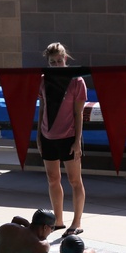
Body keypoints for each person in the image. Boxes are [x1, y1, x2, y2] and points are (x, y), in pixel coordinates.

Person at [38, 42, 87, 238]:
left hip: (68, 137)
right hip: (48, 135)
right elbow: (42, 109)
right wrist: (38, 135)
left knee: (75, 180)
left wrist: (77, 141)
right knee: (53, 179)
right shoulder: (43, 80)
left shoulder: (76, 81)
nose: (57, 65)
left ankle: (76, 222)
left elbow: (79, 114)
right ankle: (57, 221)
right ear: (48, 63)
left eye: (59, 61)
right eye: (53, 62)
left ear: (65, 59)